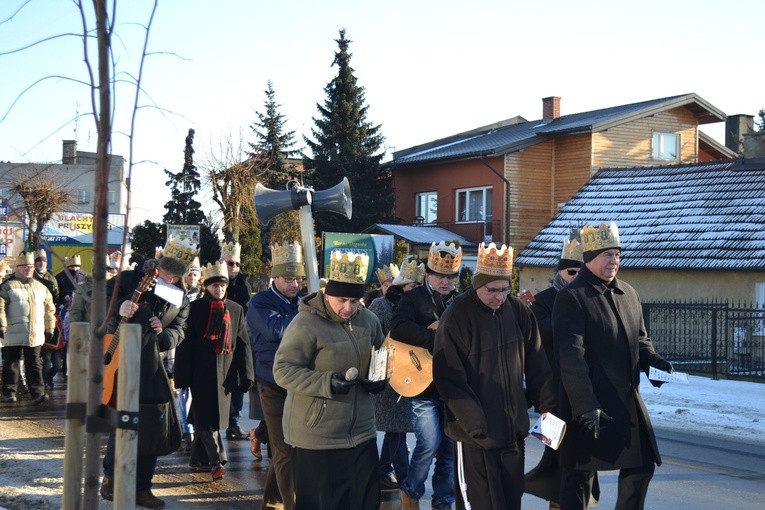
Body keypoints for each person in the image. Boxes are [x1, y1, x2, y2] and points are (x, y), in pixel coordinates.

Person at [552, 222, 674, 510]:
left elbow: (640, 342)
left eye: (618, 254)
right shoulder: (571, 298)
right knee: (579, 479)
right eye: (607, 255)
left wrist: (657, 366)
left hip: (627, 403)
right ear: (589, 258)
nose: (614, 261)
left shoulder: (628, 293)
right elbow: (571, 357)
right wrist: (584, 405)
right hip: (589, 406)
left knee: (642, 467)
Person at [433, 242, 555, 510]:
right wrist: (474, 422)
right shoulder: (457, 315)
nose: (500, 297)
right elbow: (448, 376)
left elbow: (537, 362)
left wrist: (546, 407)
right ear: (478, 285)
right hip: (474, 436)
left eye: (505, 289)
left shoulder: (519, 311)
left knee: (510, 502)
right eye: (493, 290)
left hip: (512, 432)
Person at [273, 250, 386, 510]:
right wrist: (326, 382)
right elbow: (283, 370)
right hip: (317, 436)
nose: (348, 308)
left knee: (365, 502)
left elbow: (383, 356)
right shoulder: (306, 323)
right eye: (342, 300)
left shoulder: (369, 321)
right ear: (326, 293)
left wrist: (380, 379)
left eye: (355, 301)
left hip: (361, 433)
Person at [100, 236, 196, 510]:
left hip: (154, 366)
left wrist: (163, 334)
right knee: (122, 420)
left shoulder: (181, 299)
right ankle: (111, 479)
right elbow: (101, 297)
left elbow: (180, 331)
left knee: (152, 426)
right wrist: (118, 307)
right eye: (169, 274)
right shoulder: (131, 279)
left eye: (179, 277)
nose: (173, 280)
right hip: (120, 360)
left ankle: (142, 487)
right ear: (158, 267)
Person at [525, 236, 600, 509]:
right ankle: (557, 500)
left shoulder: (592, 298)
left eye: (582, 271)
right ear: (559, 272)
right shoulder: (544, 300)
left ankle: (579, 500)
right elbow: (541, 333)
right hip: (554, 390)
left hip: (585, 389)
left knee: (586, 450)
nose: (577, 276)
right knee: (556, 451)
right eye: (571, 272)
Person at [389, 241, 462, 510]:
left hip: (452, 387)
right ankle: (411, 489)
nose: (446, 282)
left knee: (449, 450)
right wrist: (434, 338)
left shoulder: (461, 302)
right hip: (422, 385)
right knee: (429, 442)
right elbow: (397, 328)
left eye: (451, 277)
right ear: (428, 275)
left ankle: (443, 501)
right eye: (440, 276)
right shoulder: (413, 298)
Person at [174, 260, 254, 481]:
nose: (219, 289)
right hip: (200, 373)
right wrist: (181, 376)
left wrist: (247, 374)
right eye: (214, 286)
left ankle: (197, 459)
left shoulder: (236, 310)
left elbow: (243, 344)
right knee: (208, 418)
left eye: (222, 285)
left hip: (226, 374)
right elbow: (185, 345)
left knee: (211, 418)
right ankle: (218, 460)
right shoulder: (195, 308)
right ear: (206, 287)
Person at [247, 241, 306, 510]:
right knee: (284, 450)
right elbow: (276, 331)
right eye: (288, 278)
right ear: (275, 278)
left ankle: (272, 501)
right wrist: (308, 315)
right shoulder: (259, 302)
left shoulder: (302, 302)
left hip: (300, 381)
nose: (294, 284)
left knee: (293, 448)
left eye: (298, 279)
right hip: (272, 384)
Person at [367, 260, 421, 491]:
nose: (416, 288)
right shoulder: (381, 304)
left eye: (419, 284)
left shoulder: (419, 306)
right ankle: (403, 476)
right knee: (397, 426)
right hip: (387, 372)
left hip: (411, 371)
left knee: (396, 428)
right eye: (412, 285)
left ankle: (382, 471)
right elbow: (371, 336)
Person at [0, 251, 56, 405]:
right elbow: (0, 305)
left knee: (34, 364)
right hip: (13, 332)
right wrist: (2, 323)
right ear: (17, 267)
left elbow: (49, 309)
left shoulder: (41, 287)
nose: (28, 269)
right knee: (12, 363)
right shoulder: (8, 285)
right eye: (25, 266)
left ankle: (37, 393)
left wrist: (49, 328)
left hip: (34, 333)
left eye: (30, 266)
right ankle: (9, 392)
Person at [220, 241, 252, 441]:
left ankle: (234, 420)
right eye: (230, 263)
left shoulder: (244, 284)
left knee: (239, 381)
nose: (234, 268)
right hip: (216, 335)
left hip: (237, 335)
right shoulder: (214, 279)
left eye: (237, 264)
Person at [177, 256, 203, 451]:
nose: (192, 277)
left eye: (196, 274)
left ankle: (191, 428)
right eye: (190, 273)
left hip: (197, 347)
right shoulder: (177, 294)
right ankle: (185, 429)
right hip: (177, 345)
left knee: (193, 392)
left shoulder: (203, 295)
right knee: (182, 392)